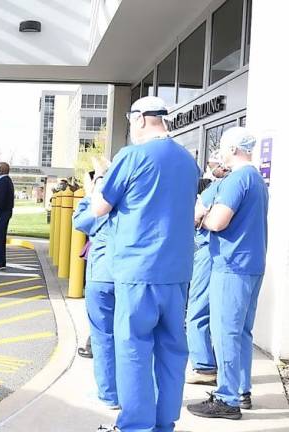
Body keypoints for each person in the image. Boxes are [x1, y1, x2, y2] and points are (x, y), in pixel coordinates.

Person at [91, 96, 199, 432]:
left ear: (139, 119)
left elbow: (99, 208)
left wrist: (97, 180)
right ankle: (164, 423)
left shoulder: (132, 155)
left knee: (133, 348)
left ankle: (136, 425)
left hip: (139, 269)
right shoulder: (187, 160)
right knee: (172, 349)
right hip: (177, 270)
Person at [188, 127, 269, 420]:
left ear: (233, 149)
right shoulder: (256, 179)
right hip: (250, 264)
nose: (219, 153)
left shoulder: (237, 179)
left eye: (222, 148)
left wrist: (202, 219)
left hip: (231, 264)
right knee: (241, 333)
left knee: (225, 333)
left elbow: (219, 221)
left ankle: (227, 399)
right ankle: (241, 390)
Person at [73, 169, 118, 410]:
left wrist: (91, 193)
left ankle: (109, 394)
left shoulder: (100, 201)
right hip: (130, 275)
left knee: (103, 336)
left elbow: (81, 221)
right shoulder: (132, 198)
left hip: (102, 276)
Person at [186, 151, 230, 386]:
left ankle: (204, 367)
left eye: (214, 163)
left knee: (198, 309)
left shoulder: (215, 189)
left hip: (207, 251)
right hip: (229, 258)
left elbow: (197, 217)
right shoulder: (248, 184)